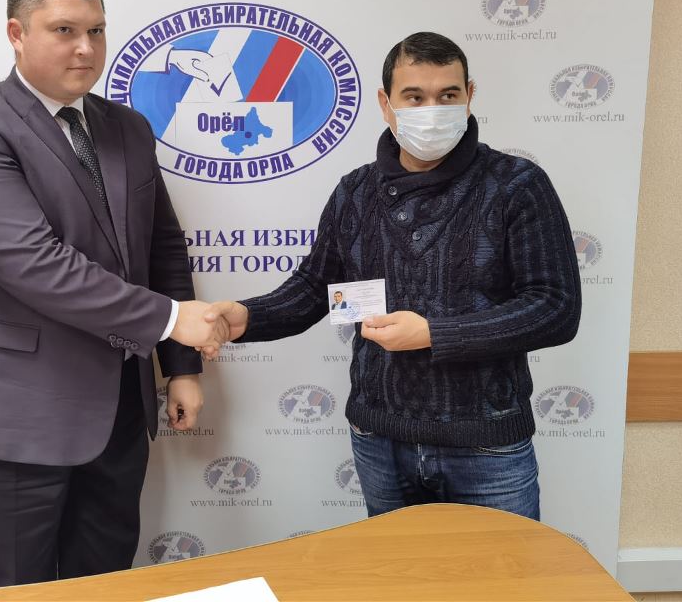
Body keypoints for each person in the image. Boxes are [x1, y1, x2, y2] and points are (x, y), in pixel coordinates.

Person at [0, 0, 227, 588]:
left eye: (96, 30)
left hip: (119, 410)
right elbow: (33, 264)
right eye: (64, 30)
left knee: (106, 583)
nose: (86, 48)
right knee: (22, 591)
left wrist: (181, 366)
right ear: (17, 33)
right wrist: (171, 320)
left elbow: (162, 248)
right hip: (16, 415)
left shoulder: (128, 128)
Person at [204, 32, 581, 521]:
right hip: (379, 442)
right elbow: (313, 289)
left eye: (448, 95)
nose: (433, 110)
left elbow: (555, 308)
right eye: (414, 97)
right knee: (393, 570)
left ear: (470, 96)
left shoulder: (516, 184)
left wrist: (435, 334)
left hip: (486, 446)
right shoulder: (355, 192)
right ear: (386, 104)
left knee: (504, 572)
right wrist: (246, 317)